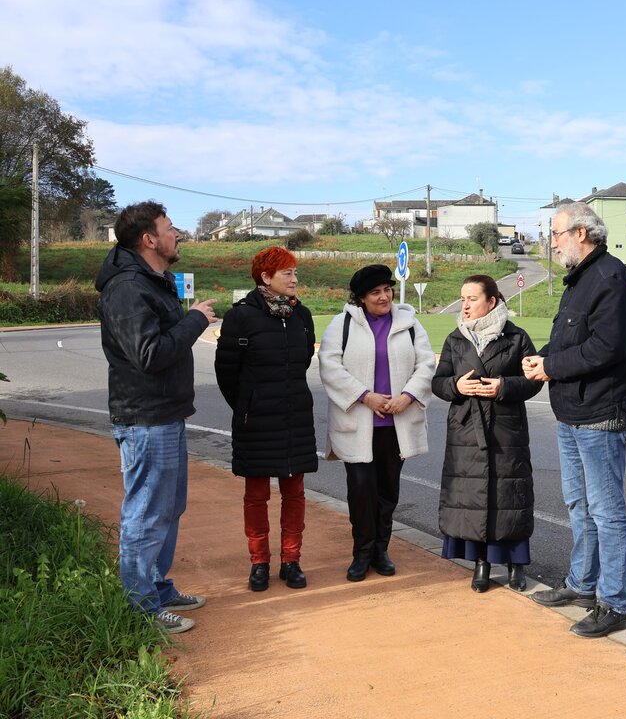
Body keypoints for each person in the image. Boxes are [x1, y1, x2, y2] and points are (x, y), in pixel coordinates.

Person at [523, 202, 626, 638]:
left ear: (581, 233)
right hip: (573, 410)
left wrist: (552, 367)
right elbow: (569, 338)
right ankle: (582, 584)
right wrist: (542, 358)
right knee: (579, 503)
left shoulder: (609, 277)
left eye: (555, 234)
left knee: (606, 510)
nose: (552, 243)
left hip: (602, 411)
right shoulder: (579, 279)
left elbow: (607, 348)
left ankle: (612, 604)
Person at [95, 201, 218, 634]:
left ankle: (157, 588)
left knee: (167, 508)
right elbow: (151, 354)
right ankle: (142, 606)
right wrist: (197, 320)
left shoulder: (150, 281)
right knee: (147, 512)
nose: (177, 234)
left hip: (163, 415)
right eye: (170, 228)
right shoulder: (129, 287)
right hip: (144, 419)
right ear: (149, 239)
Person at [318, 264, 435, 582]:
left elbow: (427, 363)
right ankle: (362, 552)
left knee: (387, 492)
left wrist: (408, 396)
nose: (384, 297)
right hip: (357, 424)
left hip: (395, 425)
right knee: (360, 491)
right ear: (360, 298)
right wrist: (364, 396)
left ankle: (381, 550)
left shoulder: (409, 322)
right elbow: (329, 366)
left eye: (387, 289)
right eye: (375, 292)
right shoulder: (342, 325)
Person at [214, 247, 319, 593]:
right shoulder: (240, 317)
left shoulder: (301, 315)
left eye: (295, 272)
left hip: (294, 418)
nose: (294, 278)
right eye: (287, 273)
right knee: (256, 495)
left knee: (296, 493)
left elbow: (302, 362)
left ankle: (292, 560)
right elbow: (226, 373)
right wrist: (248, 405)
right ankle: (259, 562)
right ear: (266, 277)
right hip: (256, 421)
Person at [432, 275, 543, 593]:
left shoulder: (516, 337)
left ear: (491, 301)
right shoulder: (456, 338)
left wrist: (504, 386)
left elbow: (534, 379)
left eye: (472, 299)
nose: (464, 305)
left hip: (505, 429)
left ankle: (516, 565)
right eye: (462, 298)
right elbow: (438, 381)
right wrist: (456, 386)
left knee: (510, 496)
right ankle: (481, 563)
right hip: (466, 430)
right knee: (474, 498)